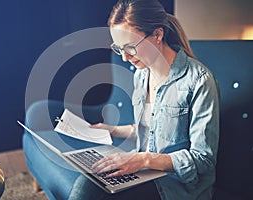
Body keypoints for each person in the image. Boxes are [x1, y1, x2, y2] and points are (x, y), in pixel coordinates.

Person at [70, 0, 220, 199]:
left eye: (130, 47)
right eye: (118, 48)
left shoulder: (199, 81)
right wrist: (112, 130)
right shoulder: (141, 74)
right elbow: (154, 129)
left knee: (87, 190)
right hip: (145, 172)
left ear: (157, 34)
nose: (124, 57)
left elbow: (203, 159)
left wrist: (144, 160)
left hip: (175, 186)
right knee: (88, 180)